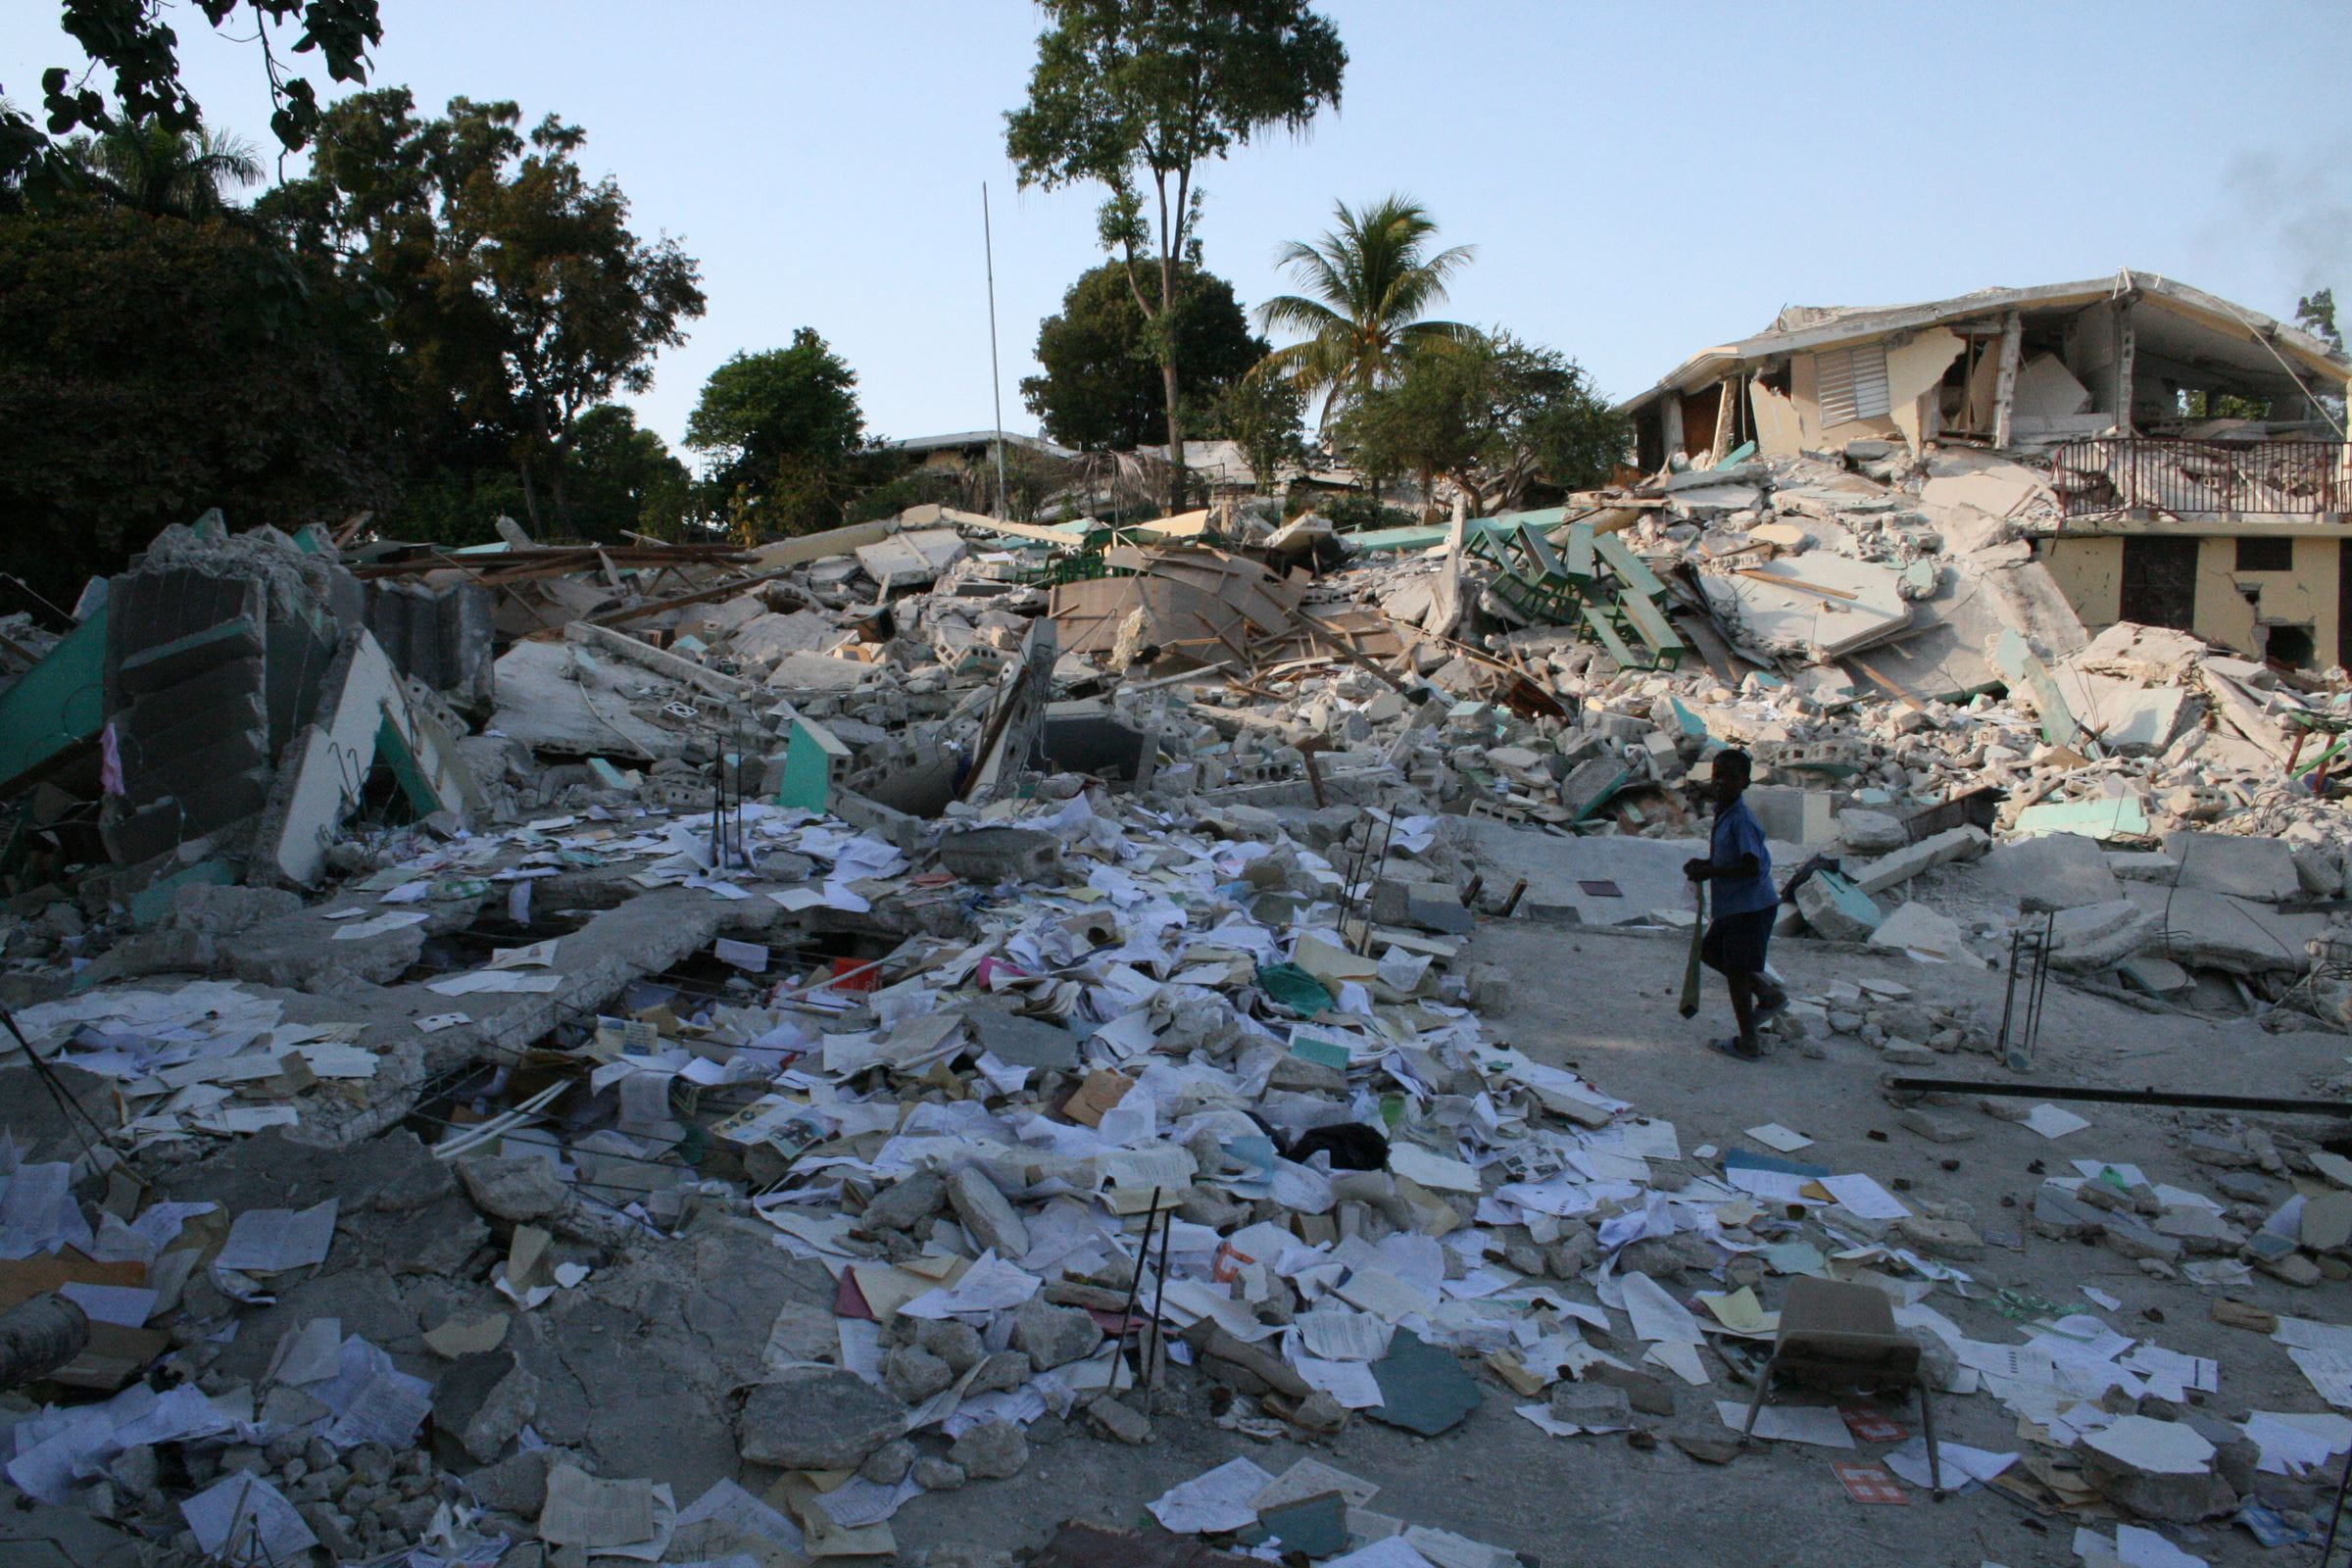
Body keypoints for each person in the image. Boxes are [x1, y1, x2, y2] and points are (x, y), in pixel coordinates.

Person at [1682, 749, 1788, 1060]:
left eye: (1730, 777)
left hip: (1751, 907)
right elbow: (1729, 859)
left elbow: (1750, 866)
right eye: (1717, 776)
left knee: (1737, 972)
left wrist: (1710, 870)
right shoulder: (1725, 813)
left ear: (1745, 782)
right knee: (1712, 953)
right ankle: (1768, 996)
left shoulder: (1741, 819)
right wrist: (1706, 865)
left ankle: (1749, 1042)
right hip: (1734, 906)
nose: (1721, 783)